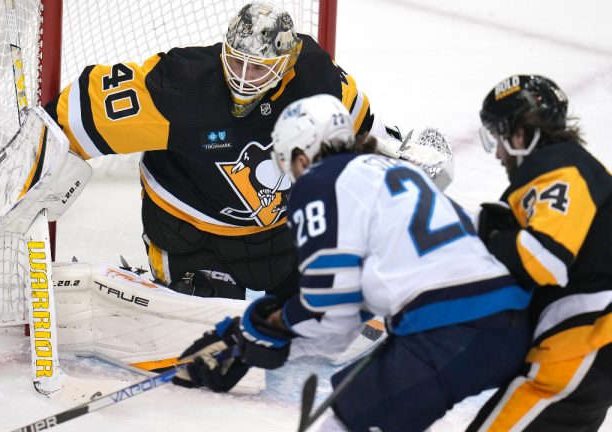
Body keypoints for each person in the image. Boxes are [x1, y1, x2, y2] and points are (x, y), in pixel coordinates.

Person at [171, 94, 533, 432]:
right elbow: (342, 322)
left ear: (302, 155)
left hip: (447, 329)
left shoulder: (319, 183)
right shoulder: (398, 173)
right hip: (510, 321)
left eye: (288, 163)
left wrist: (246, 339)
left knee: (343, 422)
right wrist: (255, 344)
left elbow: (327, 309)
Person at [43, 2, 401, 302]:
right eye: (236, 61)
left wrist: (399, 163)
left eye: (258, 67)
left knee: (319, 307)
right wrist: (33, 157)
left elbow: (363, 129)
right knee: (204, 335)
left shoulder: (314, 78)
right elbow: (78, 115)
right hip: (188, 229)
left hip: (272, 232)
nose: (243, 77)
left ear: (286, 63)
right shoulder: (182, 86)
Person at [467, 75, 612, 432]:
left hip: (582, 346)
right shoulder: (577, 168)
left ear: (520, 135)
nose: (498, 152)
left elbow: (545, 257)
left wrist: (492, 236)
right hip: (588, 351)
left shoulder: (560, 167)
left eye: (499, 136)